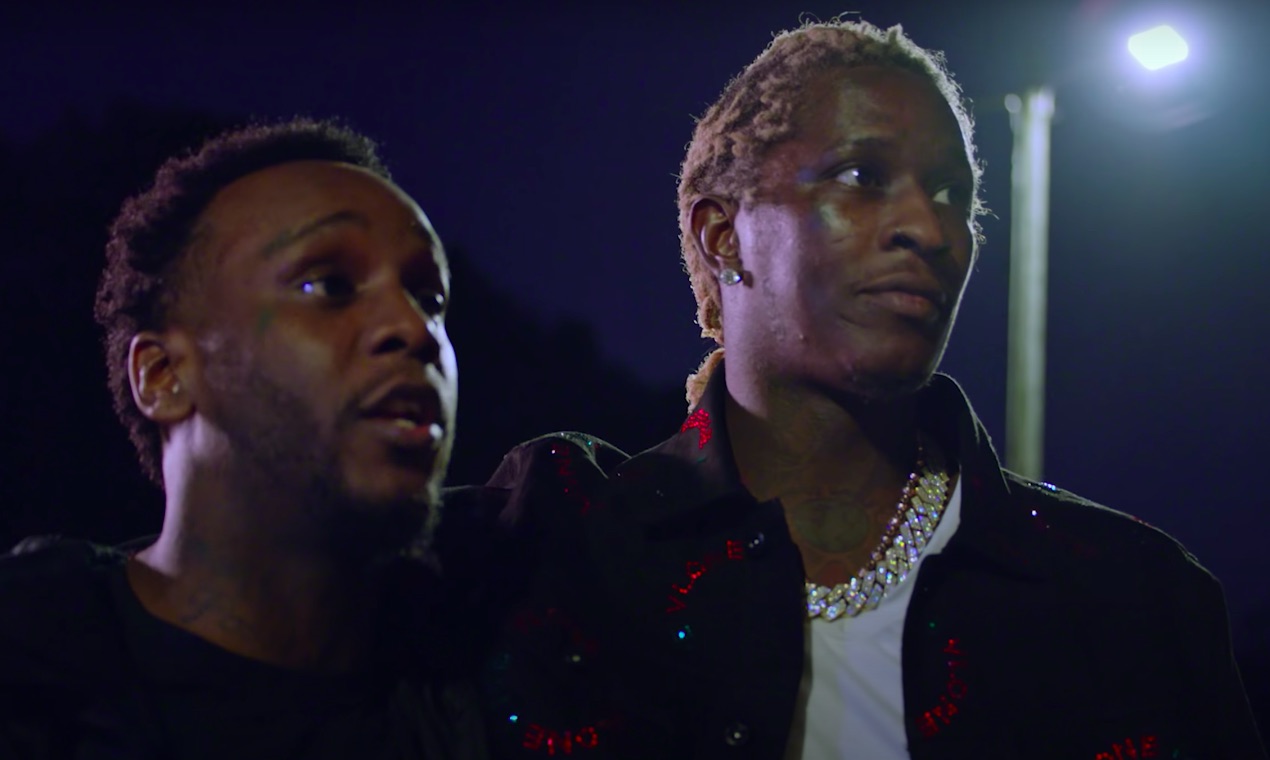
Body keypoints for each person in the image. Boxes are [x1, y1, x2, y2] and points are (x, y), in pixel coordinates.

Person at [447, 18, 1267, 760]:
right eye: (862, 175)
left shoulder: (1130, 600)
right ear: (723, 236)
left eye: (953, 194)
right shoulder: (556, 548)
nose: (929, 228)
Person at [0, 119, 486, 759]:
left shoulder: (499, 651)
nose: (415, 329)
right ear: (163, 376)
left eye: (428, 297)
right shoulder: (33, 671)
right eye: (328, 285)